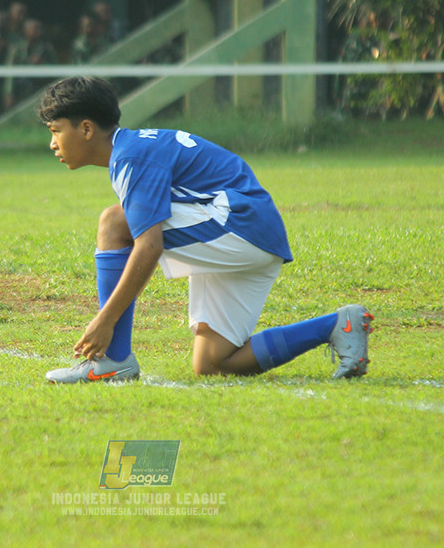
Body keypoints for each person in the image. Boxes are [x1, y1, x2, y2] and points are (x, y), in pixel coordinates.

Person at [37, 77, 374, 383]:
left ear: (85, 129)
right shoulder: (134, 149)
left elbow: (149, 246)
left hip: (240, 227)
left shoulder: (131, 157)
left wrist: (105, 320)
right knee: (213, 362)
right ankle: (337, 324)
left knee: (113, 222)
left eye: (55, 130)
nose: (52, 143)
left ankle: (112, 360)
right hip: (254, 238)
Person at [2, 18, 56, 108]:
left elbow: (56, 69)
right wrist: (9, 93)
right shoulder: (16, 49)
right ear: (26, 31)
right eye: (35, 29)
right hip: (21, 90)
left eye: (39, 28)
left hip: (41, 88)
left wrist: (42, 64)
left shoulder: (47, 48)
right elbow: (10, 72)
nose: (38, 31)